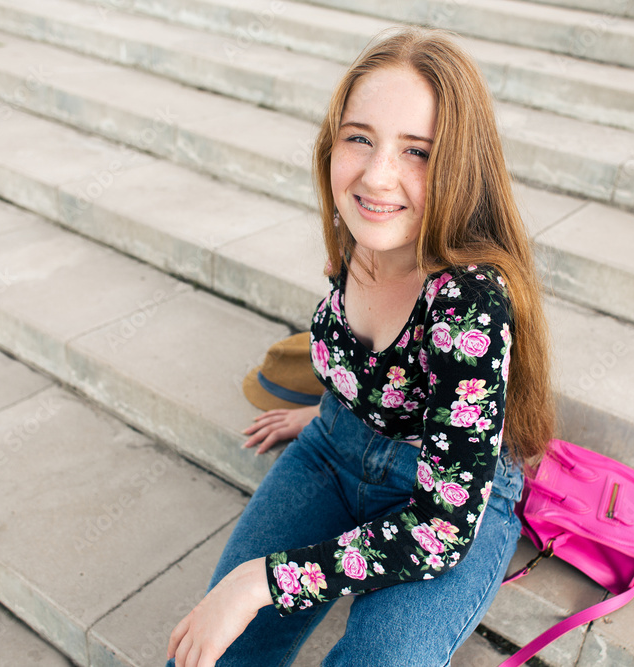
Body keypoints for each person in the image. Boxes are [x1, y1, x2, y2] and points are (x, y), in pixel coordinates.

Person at [166, 26, 555, 667]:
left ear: (461, 164)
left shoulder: (469, 301)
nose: (378, 176)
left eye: (418, 152)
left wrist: (259, 580)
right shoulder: (360, 235)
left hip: (441, 505)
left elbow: (438, 532)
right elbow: (372, 361)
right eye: (360, 139)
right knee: (219, 654)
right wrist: (330, 411)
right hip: (333, 446)